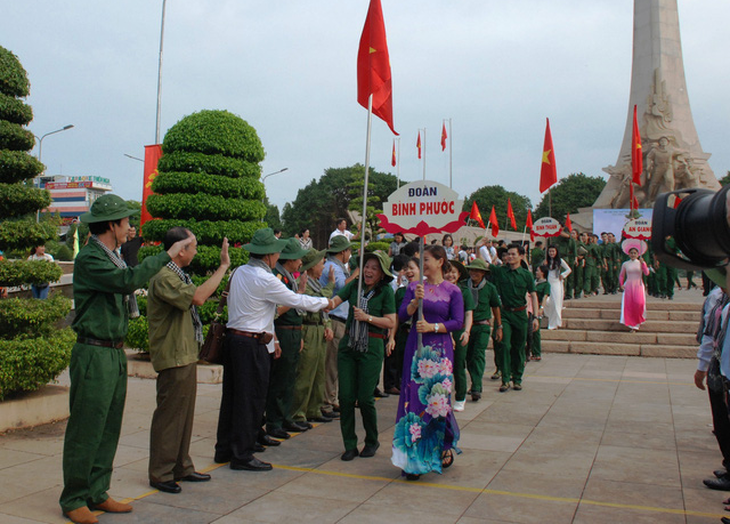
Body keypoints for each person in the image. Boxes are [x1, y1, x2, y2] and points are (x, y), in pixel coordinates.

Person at [60, 194, 194, 524]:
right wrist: (167, 254)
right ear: (111, 225)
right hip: (93, 351)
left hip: (112, 351)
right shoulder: (92, 258)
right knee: (86, 427)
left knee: (108, 426)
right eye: (125, 222)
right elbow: (127, 282)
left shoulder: (112, 255)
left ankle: (97, 490)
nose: (129, 227)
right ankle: (74, 497)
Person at [214, 228, 331, 472]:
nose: (278, 257)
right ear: (268, 255)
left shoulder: (239, 272)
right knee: (251, 399)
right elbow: (296, 300)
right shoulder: (264, 278)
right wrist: (327, 302)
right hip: (252, 344)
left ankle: (225, 448)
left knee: (233, 398)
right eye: (277, 253)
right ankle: (242, 455)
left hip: (235, 340)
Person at [147, 230, 230, 494]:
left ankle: (181, 465)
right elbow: (198, 297)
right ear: (180, 249)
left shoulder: (178, 275)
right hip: (173, 356)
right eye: (193, 246)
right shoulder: (164, 277)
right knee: (170, 416)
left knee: (183, 415)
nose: (196, 251)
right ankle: (161, 472)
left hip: (183, 354)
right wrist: (223, 267)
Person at [391, 245, 463, 480]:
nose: (424, 264)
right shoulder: (414, 287)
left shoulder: (452, 291)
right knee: (413, 404)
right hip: (416, 349)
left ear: (440, 261)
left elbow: (457, 321)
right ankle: (412, 459)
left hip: (440, 352)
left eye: (427, 259)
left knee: (437, 403)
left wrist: (433, 327)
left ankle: (439, 447)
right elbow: (402, 315)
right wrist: (414, 303)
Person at [329, 251, 396, 461]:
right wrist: (310, 300)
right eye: (367, 266)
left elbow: (390, 322)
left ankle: (371, 440)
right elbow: (335, 301)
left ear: (382, 273)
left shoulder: (385, 292)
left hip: (372, 345)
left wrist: (367, 318)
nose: (368, 271)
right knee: (346, 397)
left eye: (374, 268)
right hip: (349, 345)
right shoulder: (355, 286)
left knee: (366, 398)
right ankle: (349, 444)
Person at [266, 238, 312, 438]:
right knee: (280, 379)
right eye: (298, 258)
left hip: (293, 330)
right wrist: (299, 294)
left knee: (290, 377)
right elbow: (276, 309)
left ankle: (286, 417)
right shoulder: (277, 277)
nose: (300, 262)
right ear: (289, 260)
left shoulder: (289, 277)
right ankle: (274, 422)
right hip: (282, 331)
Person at [290, 248, 336, 426]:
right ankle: (298, 413)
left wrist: (328, 325)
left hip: (319, 329)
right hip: (307, 330)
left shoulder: (316, 283)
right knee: (305, 374)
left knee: (319, 374)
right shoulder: (304, 283)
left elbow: (324, 310)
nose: (323, 267)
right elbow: (315, 302)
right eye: (321, 263)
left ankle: (314, 409)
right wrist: (330, 286)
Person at [489, 244, 538, 393]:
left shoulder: (526, 274)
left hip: (521, 314)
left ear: (521, 256)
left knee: (518, 347)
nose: (510, 257)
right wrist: (480, 248)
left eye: (513, 254)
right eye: (508, 254)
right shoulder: (501, 272)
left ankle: (517, 378)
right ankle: (505, 379)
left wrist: (535, 316)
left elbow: (533, 295)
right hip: (505, 314)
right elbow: (486, 266)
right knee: (504, 345)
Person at [320, 235, 359, 417]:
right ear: (343, 251)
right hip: (334, 319)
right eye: (348, 251)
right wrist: (357, 272)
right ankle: (327, 402)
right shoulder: (332, 267)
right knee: (331, 364)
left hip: (340, 320)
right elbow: (343, 287)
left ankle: (332, 399)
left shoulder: (337, 266)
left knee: (336, 363)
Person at [463, 259, 501, 402]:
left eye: (477, 271)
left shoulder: (490, 288)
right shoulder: (463, 287)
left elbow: (496, 307)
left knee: (478, 355)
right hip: (466, 327)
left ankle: (476, 387)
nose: (474, 273)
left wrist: (499, 326)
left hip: (482, 326)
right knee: (468, 357)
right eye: (472, 270)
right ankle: (474, 382)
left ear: (483, 273)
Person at [385, 257, 420, 395]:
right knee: (402, 367)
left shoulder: (428, 290)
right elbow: (396, 316)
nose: (408, 272)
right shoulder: (401, 292)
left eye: (412, 268)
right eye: (406, 269)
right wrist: (392, 337)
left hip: (421, 335)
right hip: (403, 333)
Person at [444, 259, 475, 412]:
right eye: (447, 271)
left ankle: (460, 396)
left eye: (453, 272)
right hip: (442, 330)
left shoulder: (464, 291)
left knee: (458, 365)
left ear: (459, 275)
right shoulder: (439, 289)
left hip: (459, 330)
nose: (450, 275)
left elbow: (469, 313)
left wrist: (467, 332)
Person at [618, 239, 650, 331]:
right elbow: (621, 275)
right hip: (628, 285)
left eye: (635, 253)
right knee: (629, 305)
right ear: (628, 254)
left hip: (638, 285)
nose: (633, 254)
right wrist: (621, 284)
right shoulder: (625, 264)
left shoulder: (641, 263)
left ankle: (638, 321)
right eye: (631, 253)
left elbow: (647, 273)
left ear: (638, 254)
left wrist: (643, 263)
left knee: (639, 303)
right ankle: (633, 325)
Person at [543, 245, 571, 330]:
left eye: (553, 251)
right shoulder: (546, 261)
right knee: (548, 302)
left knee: (556, 303)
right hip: (548, 283)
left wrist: (562, 275)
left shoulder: (560, 261)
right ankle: (550, 319)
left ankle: (555, 323)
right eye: (550, 251)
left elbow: (569, 269)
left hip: (556, 283)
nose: (551, 253)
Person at [528, 265, 550, 361]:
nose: (536, 272)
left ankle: (537, 352)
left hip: (538, 307)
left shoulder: (546, 284)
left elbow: (545, 297)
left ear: (543, 273)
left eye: (538, 270)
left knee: (536, 331)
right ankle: (529, 351)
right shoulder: (533, 282)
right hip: (530, 307)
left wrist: (541, 308)